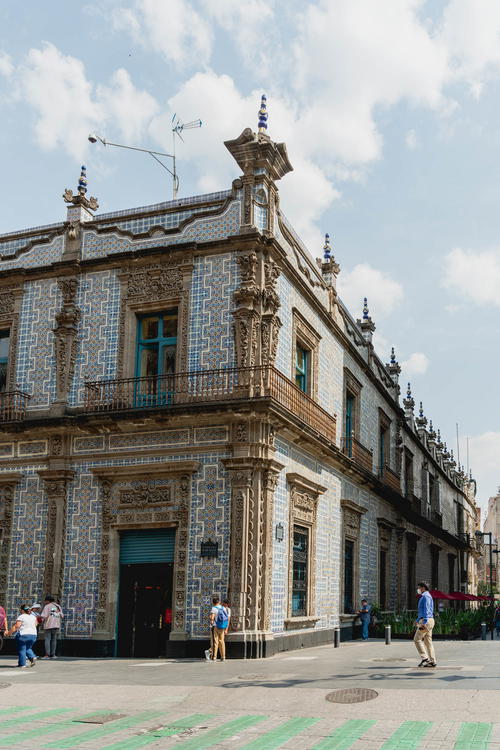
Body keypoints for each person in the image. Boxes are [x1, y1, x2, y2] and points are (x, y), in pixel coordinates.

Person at [414, 581, 436, 667]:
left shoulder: (425, 597)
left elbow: (426, 610)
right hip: (429, 620)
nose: (418, 589)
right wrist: (417, 619)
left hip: (426, 621)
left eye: (419, 587)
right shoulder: (428, 596)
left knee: (417, 639)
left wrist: (423, 622)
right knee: (428, 641)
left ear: (423, 588)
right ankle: (432, 660)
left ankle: (425, 658)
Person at [205, 596, 221, 661]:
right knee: (220, 641)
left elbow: (212, 618)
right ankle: (211, 653)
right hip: (222, 626)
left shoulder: (214, 608)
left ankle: (212, 655)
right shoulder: (222, 608)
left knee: (214, 641)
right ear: (219, 602)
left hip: (215, 626)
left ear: (213, 602)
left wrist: (211, 618)